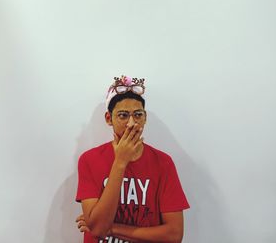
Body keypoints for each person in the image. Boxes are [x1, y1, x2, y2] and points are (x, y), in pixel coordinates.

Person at [75, 75, 190, 243]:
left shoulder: (163, 162)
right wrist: (120, 162)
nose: (131, 123)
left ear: (145, 117)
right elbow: (99, 228)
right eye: (122, 115)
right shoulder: (89, 160)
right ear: (109, 119)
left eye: (138, 115)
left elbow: (173, 235)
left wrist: (112, 228)